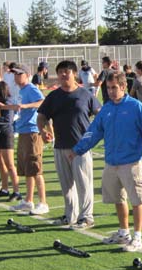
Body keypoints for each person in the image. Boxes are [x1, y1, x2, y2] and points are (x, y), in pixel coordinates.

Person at [73, 71, 142, 252]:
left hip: (131, 163)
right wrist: (78, 149)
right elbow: (93, 131)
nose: (110, 91)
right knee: (118, 200)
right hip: (111, 163)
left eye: (114, 88)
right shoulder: (106, 109)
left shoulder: (136, 107)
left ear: (124, 87)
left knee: (137, 200)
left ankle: (138, 237)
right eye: (108, 88)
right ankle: (123, 233)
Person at [38, 60, 101, 229]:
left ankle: (87, 217)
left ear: (75, 74)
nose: (63, 75)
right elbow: (41, 116)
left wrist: (93, 135)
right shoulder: (53, 96)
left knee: (84, 184)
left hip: (81, 147)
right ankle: (70, 215)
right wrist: (43, 131)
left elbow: (100, 115)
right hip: (60, 146)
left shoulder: (86, 95)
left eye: (67, 71)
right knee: (66, 186)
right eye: (60, 72)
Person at [6, 64, 49, 215]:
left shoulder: (31, 88)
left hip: (32, 131)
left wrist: (25, 106)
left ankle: (43, 202)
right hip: (23, 131)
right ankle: (28, 200)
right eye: (15, 74)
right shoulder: (21, 90)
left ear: (27, 75)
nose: (16, 77)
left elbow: (41, 102)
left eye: (19, 74)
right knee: (27, 169)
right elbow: (18, 107)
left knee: (36, 168)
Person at [0, 81, 20, 202]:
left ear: (0, 90)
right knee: (0, 163)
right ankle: (4, 189)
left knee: (10, 164)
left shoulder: (7, 102)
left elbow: (8, 120)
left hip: (5, 134)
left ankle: (16, 191)